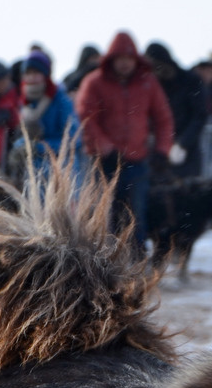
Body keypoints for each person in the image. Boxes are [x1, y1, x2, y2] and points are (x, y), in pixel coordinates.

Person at [74, 30, 173, 244]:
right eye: (121, 58)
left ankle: (136, 265)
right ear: (112, 59)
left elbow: (164, 119)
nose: (125, 64)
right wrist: (106, 148)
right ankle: (101, 265)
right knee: (103, 217)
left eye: (129, 58)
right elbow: (85, 118)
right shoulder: (94, 82)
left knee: (135, 217)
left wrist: (162, 151)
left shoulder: (148, 83)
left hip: (136, 162)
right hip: (103, 163)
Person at [8, 50, 78, 181]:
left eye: (36, 73)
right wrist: (19, 147)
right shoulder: (24, 103)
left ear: (45, 75)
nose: (32, 78)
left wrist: (38, 147)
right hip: (33, 176)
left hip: (62, 173)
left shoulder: (61, 101)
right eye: (28, 73)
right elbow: (24, 137)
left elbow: (74, 140)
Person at [143, 42, 207, 176]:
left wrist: (183, 143)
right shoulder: (153, 84)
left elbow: (199, 115)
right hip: (158, 152)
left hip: (186, 150)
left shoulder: (191, 81)